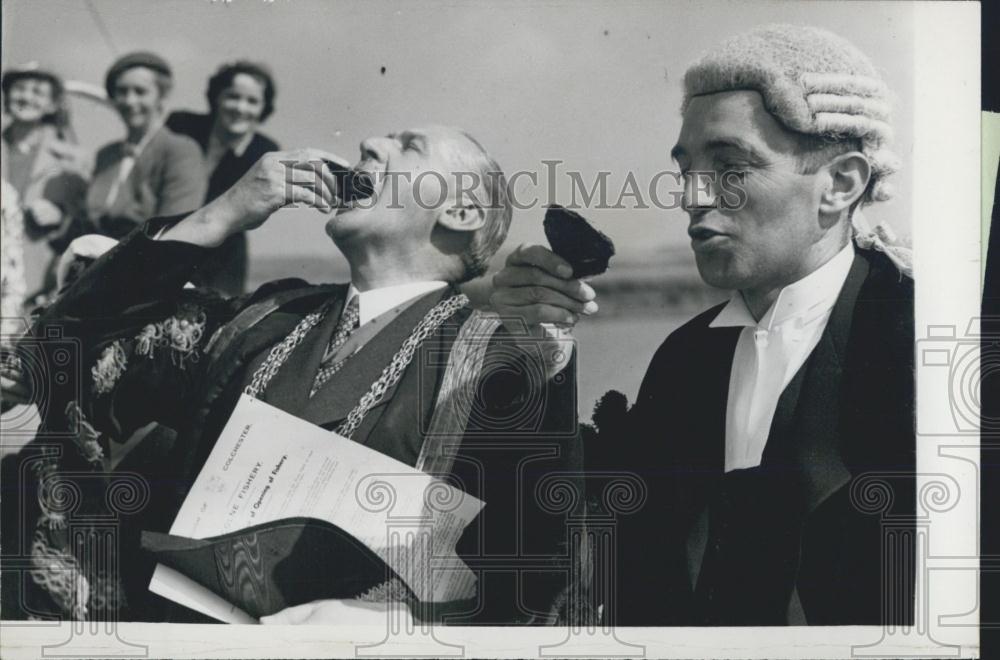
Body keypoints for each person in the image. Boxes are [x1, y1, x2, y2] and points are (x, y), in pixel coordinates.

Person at [1, 126, 583, 625]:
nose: (368, 142)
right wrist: (223, 213)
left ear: (460, 212)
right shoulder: (266, 316)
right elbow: (68, 342)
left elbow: (535, 557)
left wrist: (402, 623)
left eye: (408, 146)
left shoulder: (493, 356)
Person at [492, 24, 915, 626]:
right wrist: (538, 356)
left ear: (840, 184)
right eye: (685, 167)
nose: (692, 196)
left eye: (731, 167)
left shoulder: (917, 343)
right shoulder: (685, 358)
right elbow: (583, 547)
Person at [167, 60, 282, 296]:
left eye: (252, 101)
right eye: (233, 96)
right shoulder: (182, 125)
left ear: (264, 108)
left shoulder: (265, 153)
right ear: (216, 97)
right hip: (169, 241)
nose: (240, 108)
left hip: (222, 257)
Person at [84, 51, 206, 240]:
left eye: (140, 92)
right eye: (122, 92)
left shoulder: (181, 151)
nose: (130, 101)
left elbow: (174, 231)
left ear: (161, 97)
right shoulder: (106, 155)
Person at [1, 63, 88, 308]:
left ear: (52, 104)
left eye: (37, 92)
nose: (26, 97)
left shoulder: (73, 160)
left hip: (40, 285)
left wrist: (61, 217)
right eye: (19, 89)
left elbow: (86, 220)